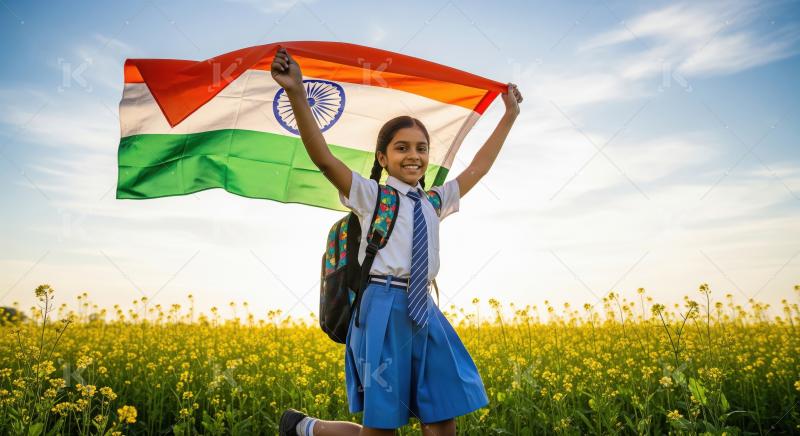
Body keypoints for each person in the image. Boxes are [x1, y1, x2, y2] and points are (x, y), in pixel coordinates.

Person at [272, 47, 522, 436]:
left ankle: (307, 429)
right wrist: (296, 94)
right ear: (383, 158)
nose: (414, 156)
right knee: (382, 428)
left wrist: (509, 116)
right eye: (402, 148)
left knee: (441, 419)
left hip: (424, 307)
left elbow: (479, 166)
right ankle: (310, 429)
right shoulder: (372, 197)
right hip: (382, 307)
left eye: (421, 148)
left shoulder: (435, 201)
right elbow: (324, 159)